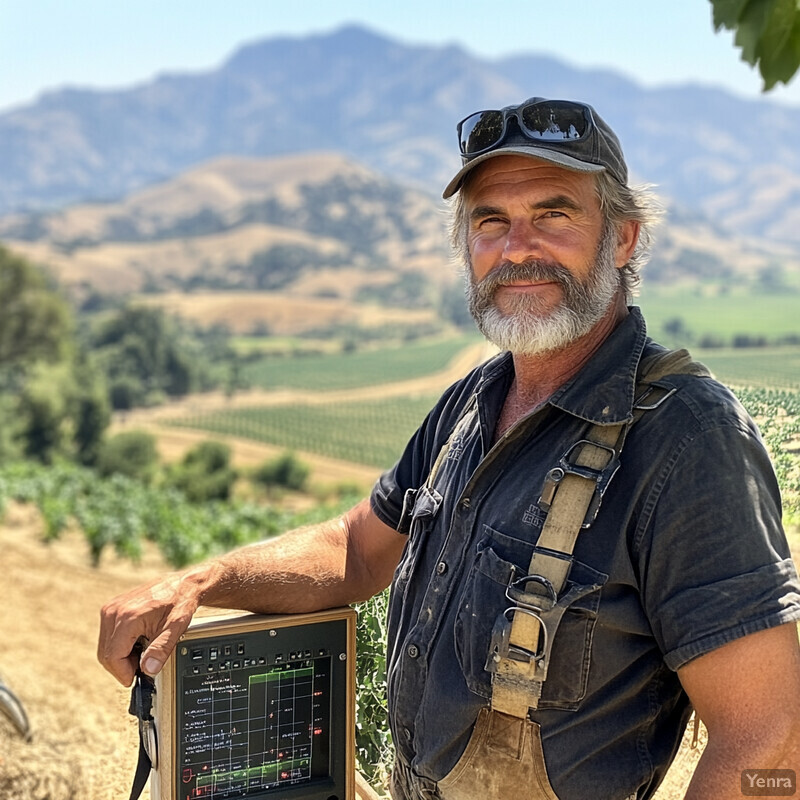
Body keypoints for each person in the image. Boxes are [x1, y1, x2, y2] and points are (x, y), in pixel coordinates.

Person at [98, 97, 800, 800]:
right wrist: (204, 580)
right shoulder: (475, 402)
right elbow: (359, 550)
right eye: (490, 222)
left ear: (622, 239)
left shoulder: (687, 438)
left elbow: (769, 737)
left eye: (553, 215)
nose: (517, 247)